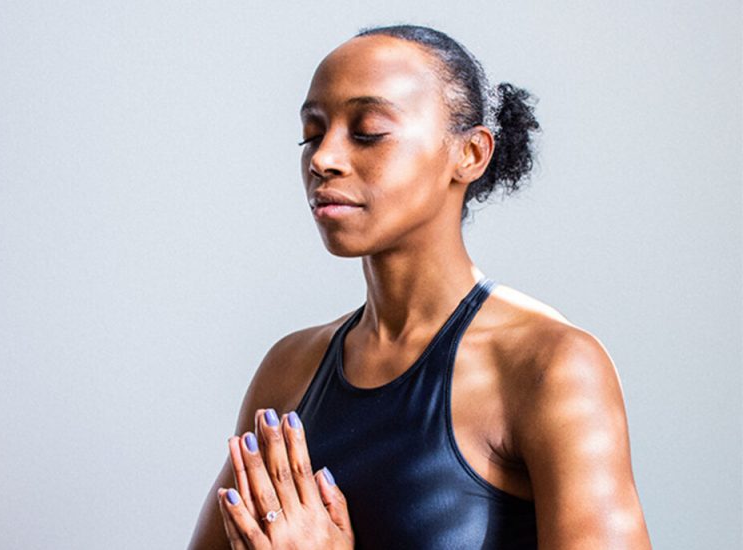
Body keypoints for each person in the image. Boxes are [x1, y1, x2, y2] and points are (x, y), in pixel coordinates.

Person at [188, 24, 652, 549]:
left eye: (367, 131)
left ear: (470, 154)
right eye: (312, 133)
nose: (323, 159)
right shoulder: (289, 369)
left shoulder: (550, 366)